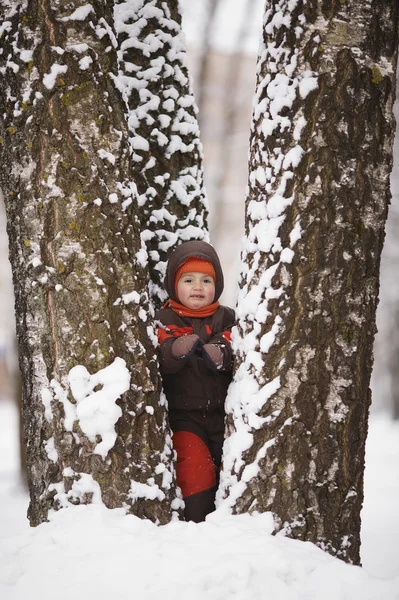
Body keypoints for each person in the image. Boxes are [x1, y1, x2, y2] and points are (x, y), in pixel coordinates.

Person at [155, 240, 235, 522]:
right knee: (195, 469)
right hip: (185, 418)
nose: (198, 287)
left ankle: (229, 525)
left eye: (206, 280)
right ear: (174, 285)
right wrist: (176, 349)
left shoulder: (226, 317)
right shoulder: (166, 318)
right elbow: (162, 355)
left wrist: (220, 352)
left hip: (224, 417)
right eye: (189, 280)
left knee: (229, 472)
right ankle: (197, 523)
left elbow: (232, 342)